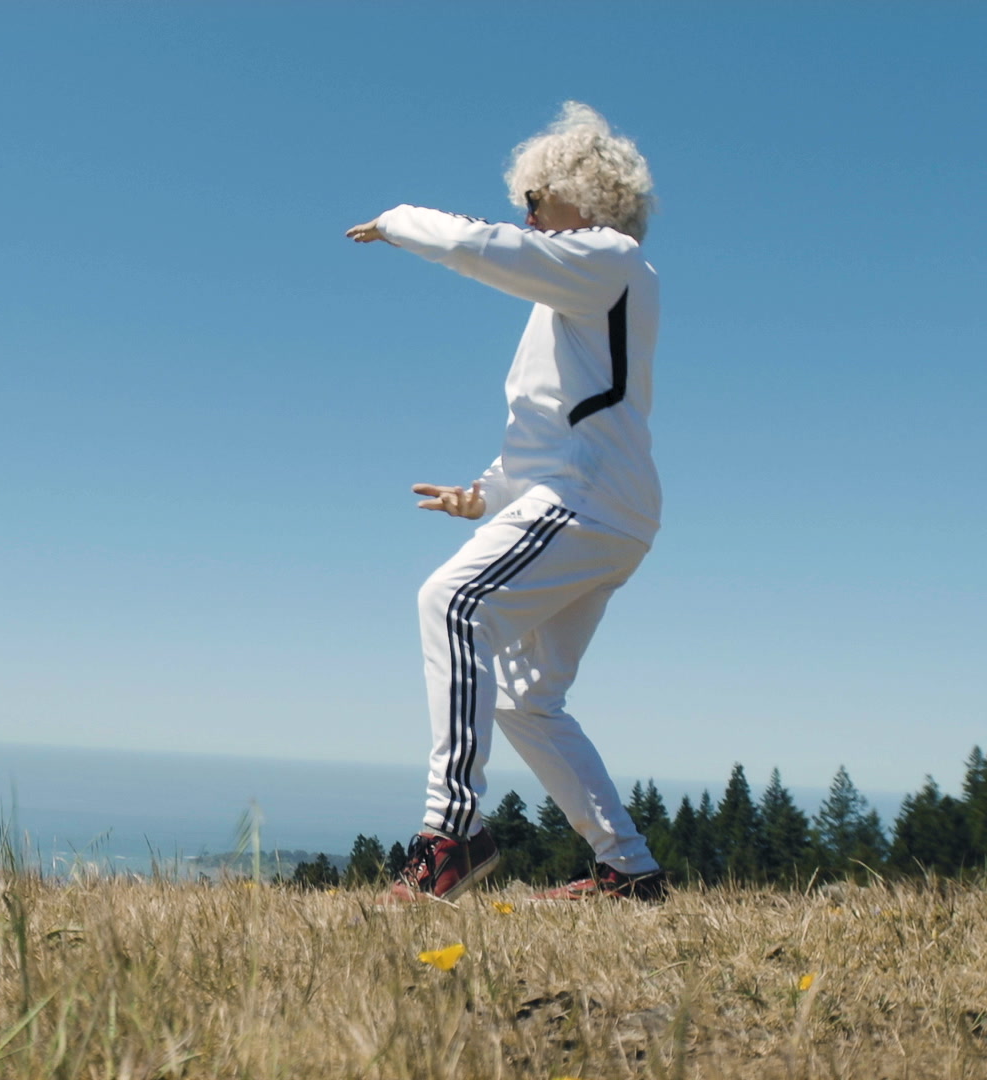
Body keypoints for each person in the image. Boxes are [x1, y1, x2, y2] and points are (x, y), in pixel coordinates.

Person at [345, 102, 667, 902]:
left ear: (584, 195)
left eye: (535, 198)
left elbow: (474, 245)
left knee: (451, 602)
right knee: (526, 697)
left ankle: (448, 837)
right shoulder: (580, 295)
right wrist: (484, 494)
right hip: (604, 505)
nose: (524, 213)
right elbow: (551, 428)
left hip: (586, 502)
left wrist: (395, 219)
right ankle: (629, 870)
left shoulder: (608, 257)